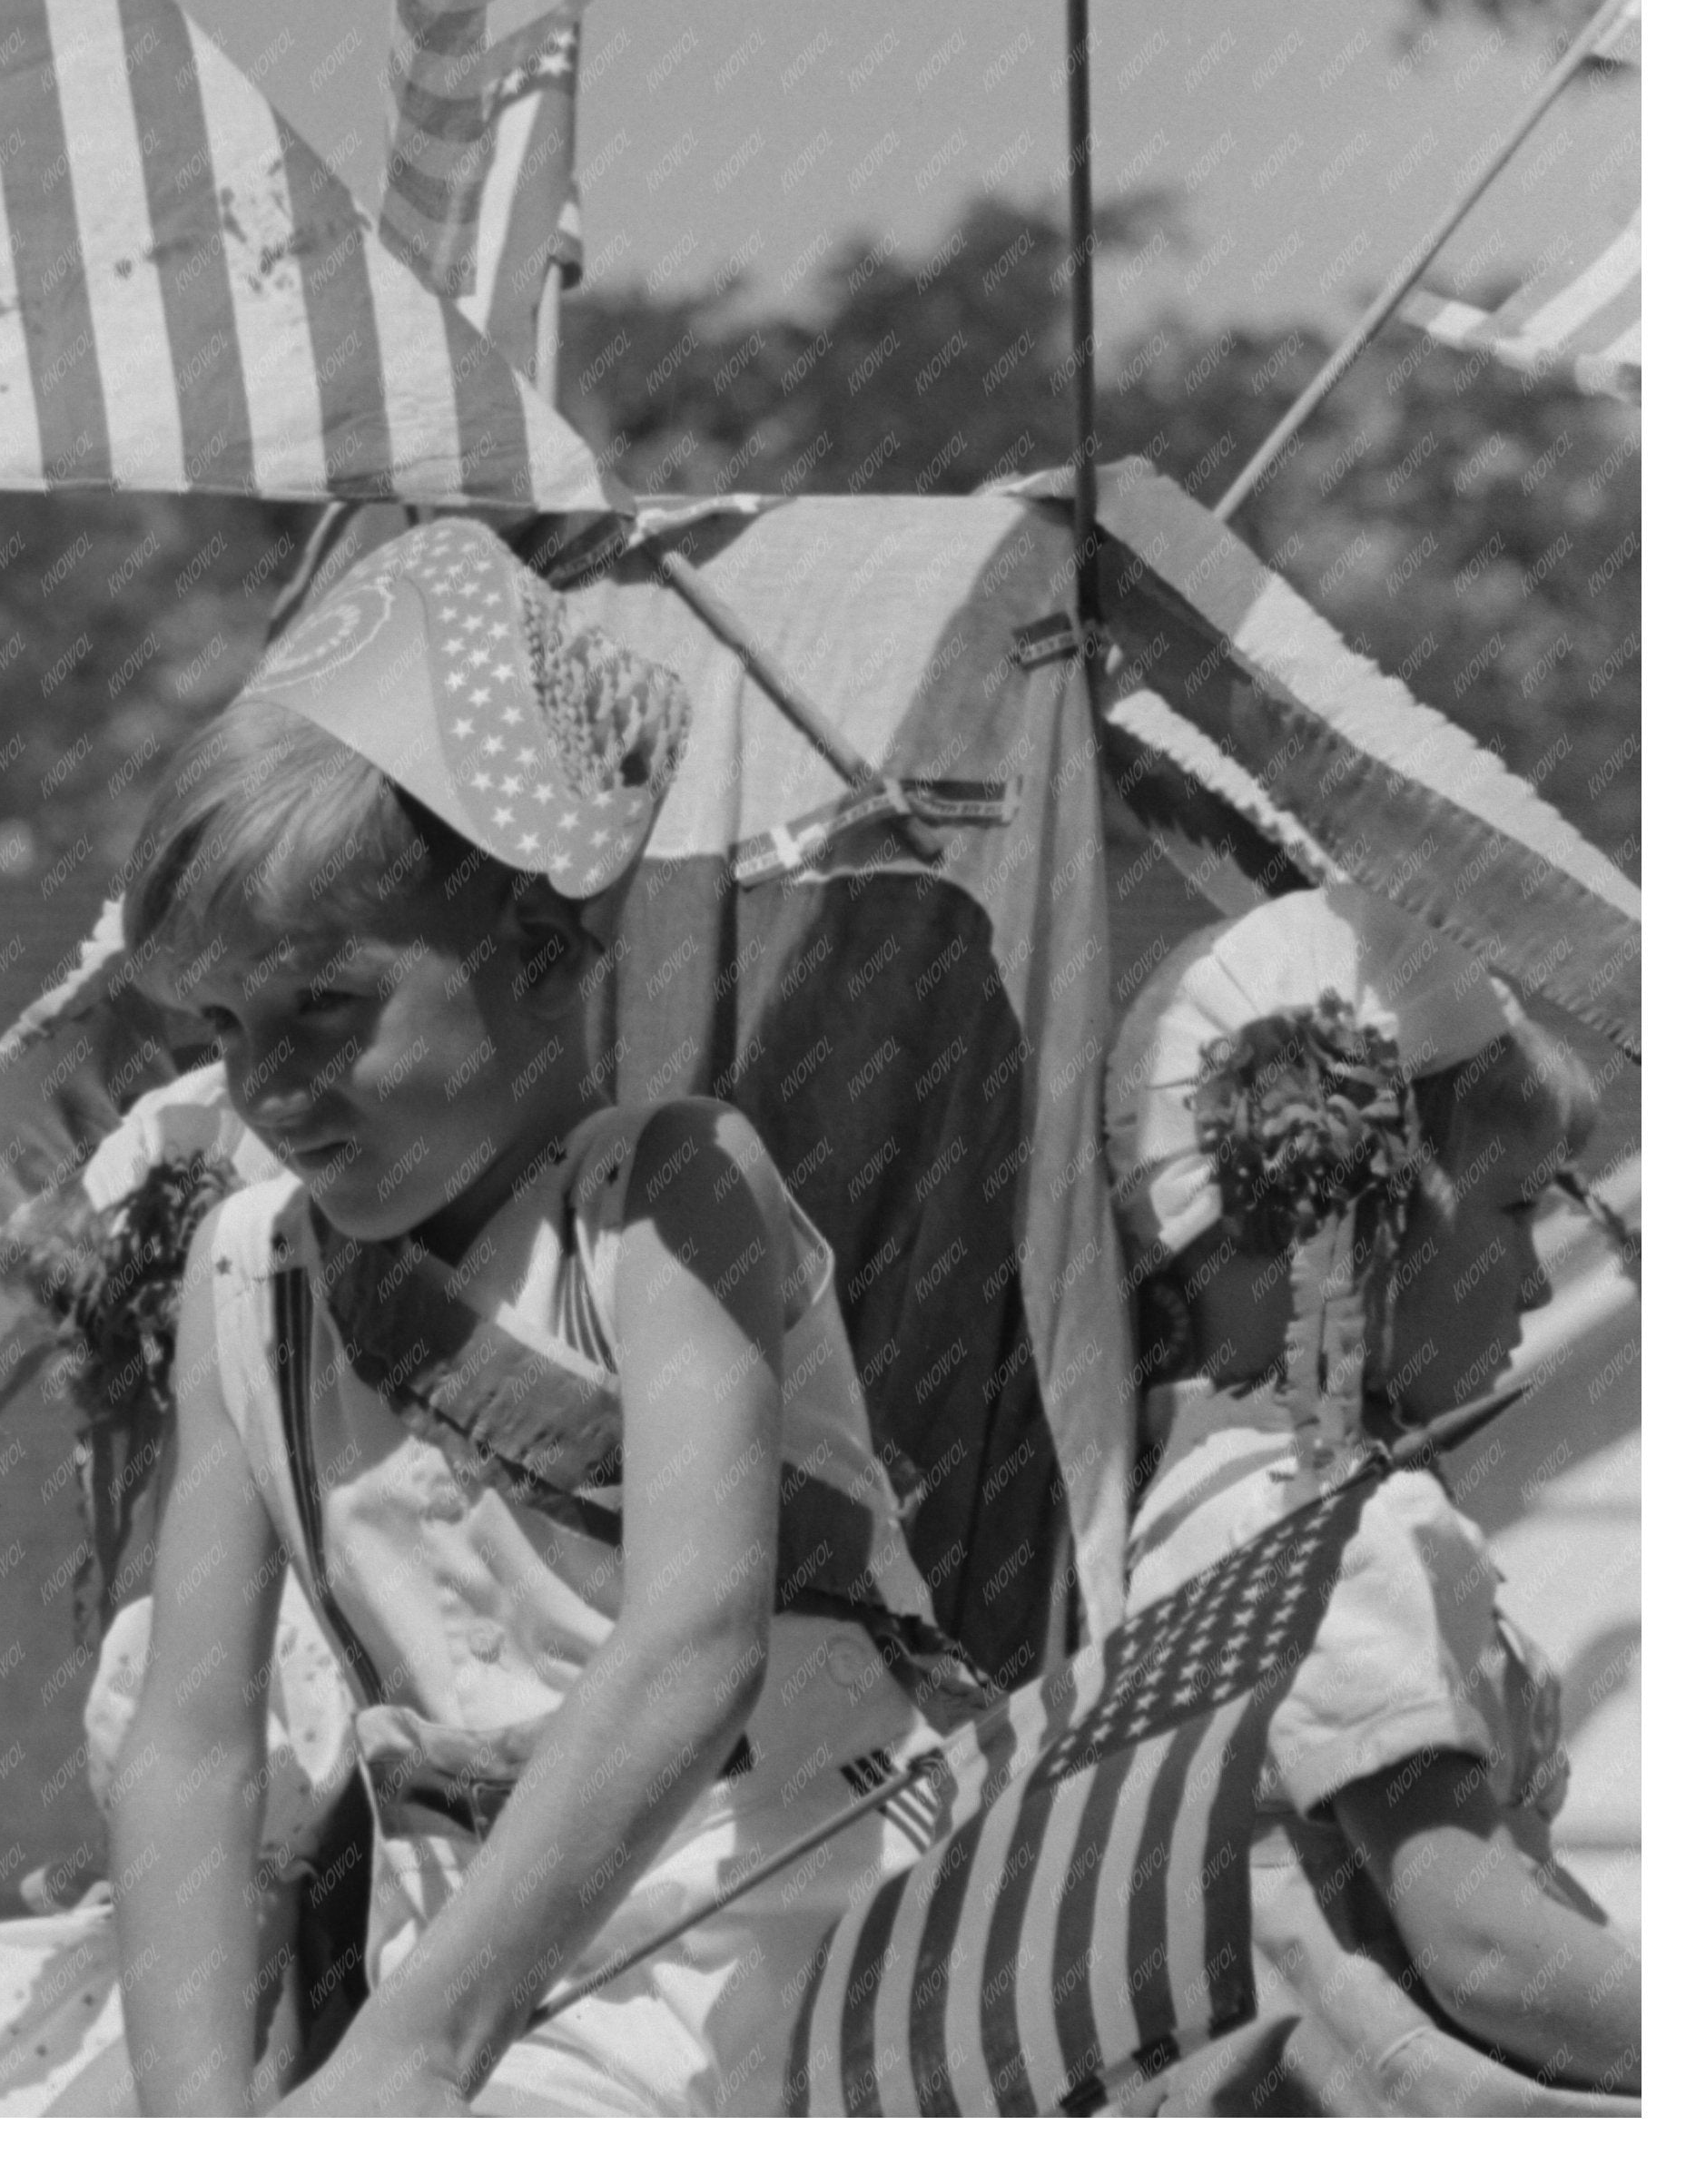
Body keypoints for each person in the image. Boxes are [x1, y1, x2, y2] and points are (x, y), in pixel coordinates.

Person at [102, 513, 981, 2116]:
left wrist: (412, 2054)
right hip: (466, 1994)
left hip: (765, 1944)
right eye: (226, 1023)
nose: (267, 1083)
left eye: (327, 1006)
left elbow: (692, 1647)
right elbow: (189, 1740)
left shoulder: (664, 1202)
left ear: (535, 947)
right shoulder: (246, 1283)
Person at [1101, 881, 1641, 2115]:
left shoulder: (1183, 1508)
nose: (1532, 1282)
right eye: (1512, 1212)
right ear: (1354, 1217)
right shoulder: (1333, 1530)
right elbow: (1485, 1945)